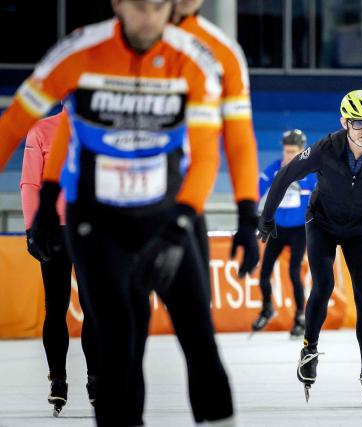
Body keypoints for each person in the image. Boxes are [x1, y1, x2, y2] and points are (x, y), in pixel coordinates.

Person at [0, 0, 234, 425]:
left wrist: (184, 219)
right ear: (118, 5)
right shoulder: (80, 51)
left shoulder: (197, 57)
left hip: (165, 215)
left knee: (200, 338)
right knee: (117, 343)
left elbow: (206, 153)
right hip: (98, 223)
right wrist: (49, 201)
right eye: (139, 6)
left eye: (159, 6)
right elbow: (18, 125)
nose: (150, 17)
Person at [258, 90, 362, 407]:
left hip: (357, 230)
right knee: (323, 284)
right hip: (321, 224)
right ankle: (309, 347)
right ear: (344, 122)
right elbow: (285, 175)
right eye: (357, 122)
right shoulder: (325, 148)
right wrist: (267, 216)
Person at [172, 0, 260, 294]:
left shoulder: (222, 52)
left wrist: (247, 216)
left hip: (184, 200)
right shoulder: (124, 43)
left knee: (199, 328)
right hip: (112, 203)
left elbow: (239, 141)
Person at [20, 112, 98, 416]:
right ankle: (58, 380)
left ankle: (96, 379)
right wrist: (31, 229)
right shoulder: (41, 130)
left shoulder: (99, 129)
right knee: (56, 306)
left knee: (94, 308)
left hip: (91, 231)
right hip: (54, 232)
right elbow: (30, 182)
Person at [252, 129, 317, 338]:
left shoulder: (309, 173)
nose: (289, 156)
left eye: (293, 152)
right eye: (286, 151)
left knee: (293, 272)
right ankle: (267, 308)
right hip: (278, 229)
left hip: (300, 231)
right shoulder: (274, 169)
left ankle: (300, 316)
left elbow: (321, 198)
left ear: (302, 151)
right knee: (263, 273)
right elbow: (257, 191)